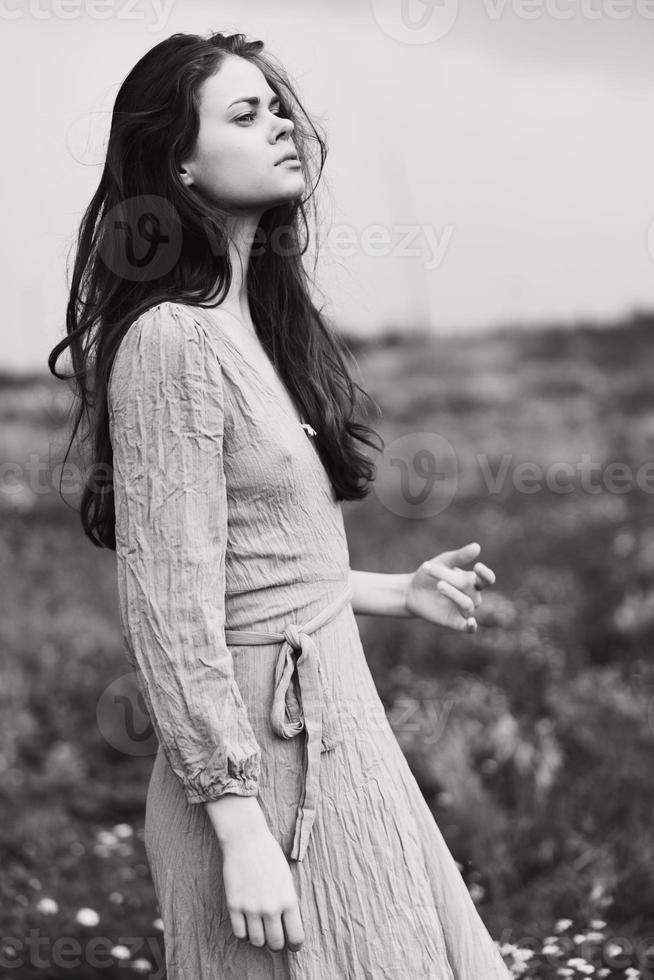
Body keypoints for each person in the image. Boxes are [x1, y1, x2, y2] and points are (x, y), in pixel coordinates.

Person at [49, 30, 512, 979]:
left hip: (345, 731)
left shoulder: (248, 326)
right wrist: (239, 827)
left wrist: (393, 590)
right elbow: (173, 609)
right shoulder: (173, 343)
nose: (281, 126)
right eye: (245, 112)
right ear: (179, 161)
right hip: (263, 775)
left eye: (280, 106)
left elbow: (257, 560)